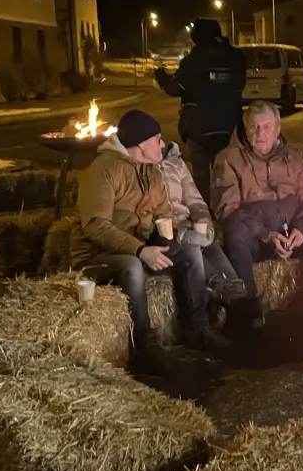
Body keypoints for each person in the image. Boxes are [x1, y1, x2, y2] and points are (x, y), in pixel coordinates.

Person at [70, 109, 228, 371]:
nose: (163, 144)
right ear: (142, 144)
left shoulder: (152, 172)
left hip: (140, 247)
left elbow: (163, 213)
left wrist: (167, 240)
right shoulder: (102, 170)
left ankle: (199, 328)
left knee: (189, 252)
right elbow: (95, 226)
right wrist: (141, 250)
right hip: (98, 256)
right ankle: (145, 344)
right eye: (158, 138)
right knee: (131, 266)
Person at [212, 101, 303, 327]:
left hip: (292, 235)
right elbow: (228, 209)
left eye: (267, 127)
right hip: (258, 240)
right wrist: (267, 234)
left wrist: (301, 230)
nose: (260, 133)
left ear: (277, 129)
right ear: (246, 129)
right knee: (234, 231)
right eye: (254, 127)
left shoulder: (292, 157)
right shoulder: (228, 159)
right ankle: (251, 313)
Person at [154, 18, 246, 201]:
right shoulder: (235, 57)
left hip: (200, 129)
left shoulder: (194, 60)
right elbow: (239, 84)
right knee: (226, 174)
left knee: (201, 177)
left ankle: (204, 218)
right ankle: (227, 211)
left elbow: (175, 88)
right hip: (229, 126)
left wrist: (161, 75)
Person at [158, 140, 245, 301]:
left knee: (213, 248)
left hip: (187, 224)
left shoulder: (175, 163)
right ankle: (221, 289)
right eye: (156, 140)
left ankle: (240, 294)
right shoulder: (141, 169)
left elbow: (195, 201)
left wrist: (207, 226)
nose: (162, 143)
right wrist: (183, 233)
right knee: (192, 250)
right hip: (168, 232)